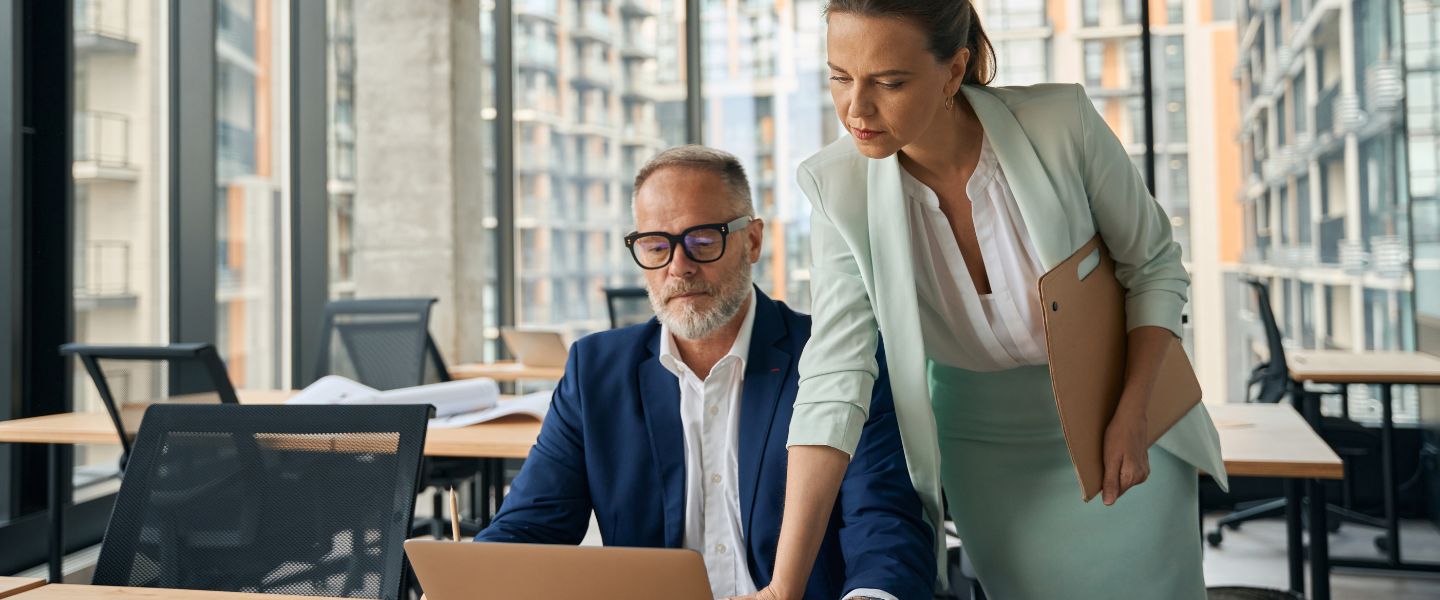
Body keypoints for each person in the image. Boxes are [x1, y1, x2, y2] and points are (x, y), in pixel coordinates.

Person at [734, 2, 1230, 599]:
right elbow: (834, 378)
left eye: (888, 82)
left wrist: (1134, 411)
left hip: (1122, 414)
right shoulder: (838, 188)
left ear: (953, 70)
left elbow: (1153, 267)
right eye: (840, 77)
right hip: (985, 450)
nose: (856, 109)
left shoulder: (1060, 124)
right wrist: (783, 588)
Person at [475, 145, 935, 600]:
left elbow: (883, 524)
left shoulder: (836, 358)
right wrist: (468, 582)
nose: (679, 267)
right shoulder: (594, 371)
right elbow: (531, 525)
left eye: (702, 240)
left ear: (752, 241)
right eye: (656, 245)